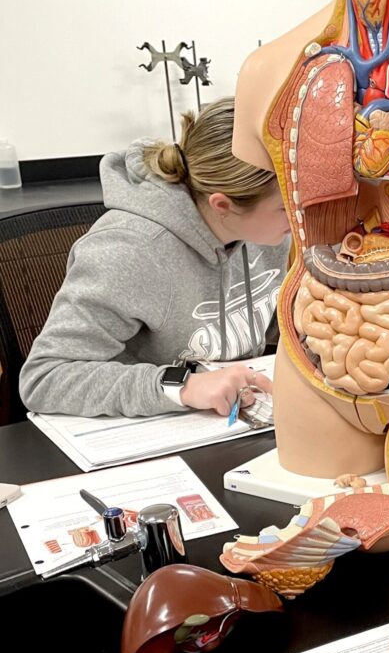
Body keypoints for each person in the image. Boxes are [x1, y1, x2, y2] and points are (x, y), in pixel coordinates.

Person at [20, 98, 291, 418]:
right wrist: (184, 386)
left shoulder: (266, 232)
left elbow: (269, 327)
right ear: (223, 205)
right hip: (149, 430)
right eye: (285, 207)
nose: (300, 216)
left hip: (233, 416)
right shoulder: (131, 250)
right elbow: (44, 378)